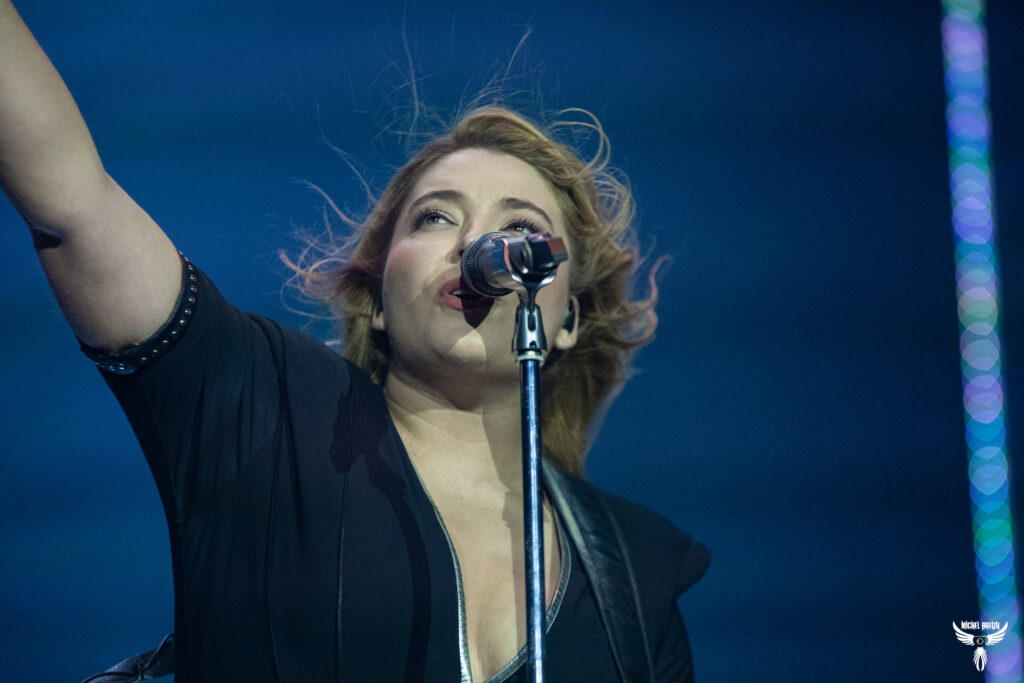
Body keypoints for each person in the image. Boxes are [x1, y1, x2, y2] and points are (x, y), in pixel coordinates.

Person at [1, 1, 708, 681]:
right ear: (377, 304)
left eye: (519, 228)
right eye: (435, 218)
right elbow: (71, 203)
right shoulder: (265, 407)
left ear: (567, 318)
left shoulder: (636, 569)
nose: (476, 243)